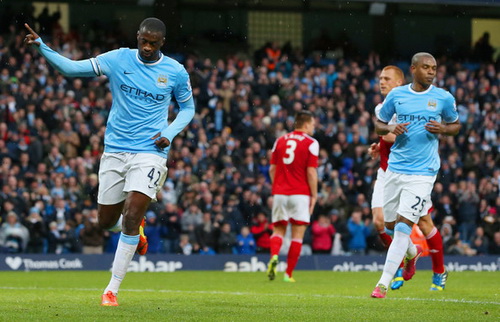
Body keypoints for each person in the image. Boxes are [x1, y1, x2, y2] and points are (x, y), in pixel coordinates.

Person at [24, 17, 195, 306]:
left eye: (154, 43)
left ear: (162, 43)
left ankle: (111, 289)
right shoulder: (118, 59)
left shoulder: (175, 72)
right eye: (144, 41)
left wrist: (169, 133)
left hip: (150, 152)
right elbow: (72, 69)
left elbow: (188, 108)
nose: (148, 47)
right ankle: (134, 233)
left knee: (132, 213)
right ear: (137, 36)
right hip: (115, 149)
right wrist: (42, 46)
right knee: (105, 221)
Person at [371, 53, 460, 298]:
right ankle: (411, 254)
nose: (431, 72)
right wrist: (389, 128)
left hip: (423, 173)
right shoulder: (397, 97)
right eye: (426, 68)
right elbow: (379, 124)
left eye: (434, 68)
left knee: (402, 228)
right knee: (389, 227)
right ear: (413, 69)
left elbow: (456, 125)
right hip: (395, 170)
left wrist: (443, 128)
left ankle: (383, 284)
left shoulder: (443, 97)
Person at [266, 110, 319, 282]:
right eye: (312, 124)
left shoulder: (280, 141)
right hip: (300, 194)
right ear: (305, 124)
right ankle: (288, 274)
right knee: (297, 234)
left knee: (278, 229)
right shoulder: (311, 143)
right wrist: (314, 194)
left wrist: (278, 186)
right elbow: (311, 172)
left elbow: (271, 169)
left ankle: (274, 256)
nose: (313, 127)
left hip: (280, 193)